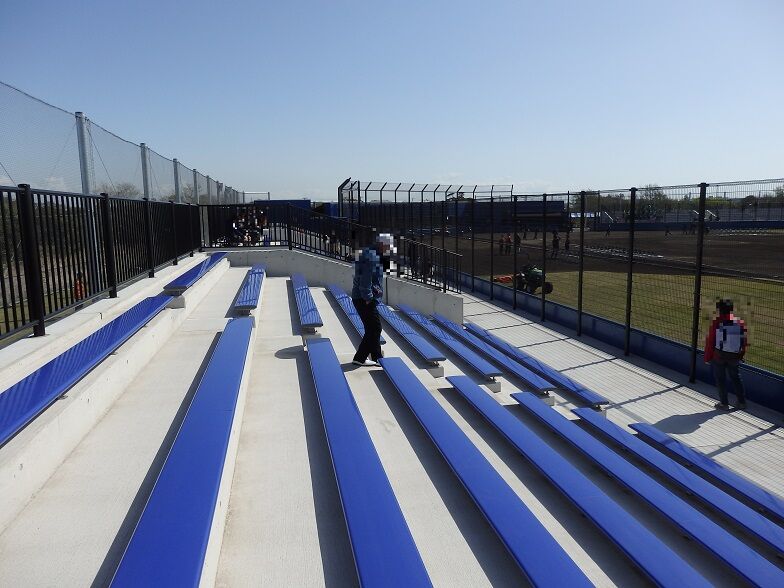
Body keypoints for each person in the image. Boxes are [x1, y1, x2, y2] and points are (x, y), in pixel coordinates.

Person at [351, 234, 392, 366]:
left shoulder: (371, 253)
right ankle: (368, 358)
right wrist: (368, 297)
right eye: (388, 246)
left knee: (372, 329)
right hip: (364, 299)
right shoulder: (371, 257)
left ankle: (372, 357)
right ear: (382, 244)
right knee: (375, 328)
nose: (389, 249)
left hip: (363, 297)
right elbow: (365, 279)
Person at [705, 299, 748, 410]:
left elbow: (710, 341)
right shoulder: (739, 322)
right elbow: (744, 342)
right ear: (731, 309)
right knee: (736, 378)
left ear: (719, 309)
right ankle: (742, 402)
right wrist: (741, 355)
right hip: (734, 357)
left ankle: (724, 404)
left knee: (720, 379)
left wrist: (707, 357)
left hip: (719, 356)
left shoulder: (716, 322)